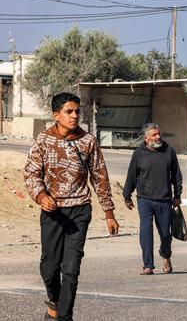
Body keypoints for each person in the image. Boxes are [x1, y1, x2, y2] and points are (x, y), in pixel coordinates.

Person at [24, 92, 120, 320]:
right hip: (53, 213)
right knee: (49, 269)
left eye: (77, 111)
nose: (74, 115)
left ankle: (65, 316)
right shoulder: (43, 140)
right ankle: (55, 303)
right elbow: (31, 173)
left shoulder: (88, 141)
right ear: (56, 115)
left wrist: (109, 213)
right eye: (69, 111)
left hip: (79, 210)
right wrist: (40, 196)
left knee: (71, 270)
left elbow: (100, 177)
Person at [123, 123, 182, 275]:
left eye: (159, 134)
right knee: (146, 231)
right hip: (145, 199)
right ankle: (148, 265)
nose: (158, 137)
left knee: (165, 234)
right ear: (146, 138)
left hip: (164, 200)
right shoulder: (138, 153)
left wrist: (177, 196)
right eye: (154, 135)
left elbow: (176, 176)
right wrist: (127, 195)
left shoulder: (169, 151)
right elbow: (132, 175)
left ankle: (166, 255)